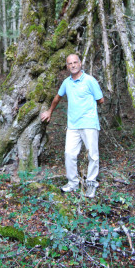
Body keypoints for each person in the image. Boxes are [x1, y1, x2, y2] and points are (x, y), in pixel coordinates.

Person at [41, 54, 104, 198]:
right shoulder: (66, 83)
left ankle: (91, 184)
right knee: (69, 154)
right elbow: (57, 98)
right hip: (73, 125)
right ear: (67, 66)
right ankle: (73, 182)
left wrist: (88, 110)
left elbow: (100, 99)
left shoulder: (90, 81)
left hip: (89, 124)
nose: (73, 65)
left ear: (80, 64)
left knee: (93, 155)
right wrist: (49, 111)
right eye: (70, 63)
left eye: (75, 62)